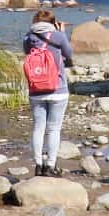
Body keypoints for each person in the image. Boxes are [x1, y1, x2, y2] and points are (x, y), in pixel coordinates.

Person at [23, 9, 74, 176]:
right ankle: (50, 166)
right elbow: (69, 55)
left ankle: (38, 165)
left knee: (38, 128)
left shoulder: (28, 37)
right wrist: (61, 32)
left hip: (36, 89)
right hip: (58, 88)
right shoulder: (58, 36)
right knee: (53, 129)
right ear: (53, 22)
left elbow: (27, 53)